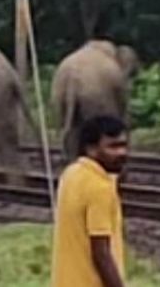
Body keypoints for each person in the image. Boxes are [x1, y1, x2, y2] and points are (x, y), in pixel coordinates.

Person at [51, 115, 129, 287]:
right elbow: (101, 253)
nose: (122, 153)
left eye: (123, 146)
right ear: (91, 148)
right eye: (113, 147)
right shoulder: (100, 188)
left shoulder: (71, 174)